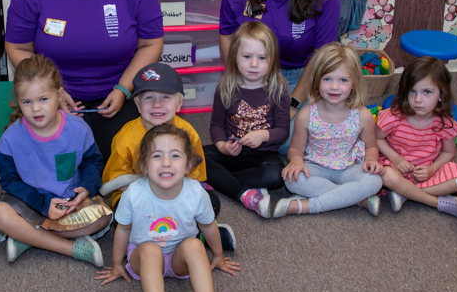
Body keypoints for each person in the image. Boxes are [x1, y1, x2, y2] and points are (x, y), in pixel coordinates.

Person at [5, 0, 164, 162]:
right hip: (53, 98)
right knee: (52, 165)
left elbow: (151, 44)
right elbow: (17, 46)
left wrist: (123, 89)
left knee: (126, 161)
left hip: (117, 95)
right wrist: (52, 92)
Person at [95, 124, 240, 292]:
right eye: (156, 156)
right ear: (142, 164)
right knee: (151, 249)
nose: (166, 163)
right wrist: (117, 265)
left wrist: (219, 256)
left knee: (195, 244)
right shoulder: (133, 193)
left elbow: (208, 226)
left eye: (175, 155)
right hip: (143, 256)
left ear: (189, 164)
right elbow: (122, 230)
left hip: (178, 257)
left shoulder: (196, 192)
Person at [219, 0, 341, 153]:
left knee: (286, 143)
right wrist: (239, 81)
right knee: (239, 135)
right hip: (251, 72)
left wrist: (294, 102)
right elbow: (228, 35)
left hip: (300, 76)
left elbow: (321, 55)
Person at [0, 55, 109, 267]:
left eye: (43, 99)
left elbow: (93, 162)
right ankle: (69, 248)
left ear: (59, 94)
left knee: (105, 217)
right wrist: (44, 206)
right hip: (30, 202)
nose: (36, 109)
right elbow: (9, 182)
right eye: (27, 102)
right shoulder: (9, 140)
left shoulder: (79, 129)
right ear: (18, 102)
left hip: (68, 204)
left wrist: (86, 189)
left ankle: (27, 237)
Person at [101, 63, 235, 250]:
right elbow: (115, 182)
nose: (157, 104)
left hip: (177, 194)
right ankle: (191, 236)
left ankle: (188, 236)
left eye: (166, 97)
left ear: (180, 103)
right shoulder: (125, 138)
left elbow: (196, 178)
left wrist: (172, 196)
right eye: (149, 98)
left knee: (211, 203)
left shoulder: (187, 132)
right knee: (122, 217)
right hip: (138, 198)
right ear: (138, 105)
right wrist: (152, 194)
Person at [276, 42, 383, 217]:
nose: (334, 87)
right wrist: (296, 161)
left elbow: (371, 146)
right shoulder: (306, 115)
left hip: (349, 167)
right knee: (291, 179)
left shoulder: (362, 115)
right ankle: (354, 198)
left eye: (343, 80)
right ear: (317, 81)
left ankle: (307, 206)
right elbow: (295, 149)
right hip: (315, 166)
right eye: (327, 79)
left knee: (375, 181)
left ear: (354, 83)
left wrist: (371, 160)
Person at [204, 22, 290, 218]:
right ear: (234, 57)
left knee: (277, 176)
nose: (254, 64)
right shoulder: (225, 87)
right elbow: (216, 125)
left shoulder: (279, 88)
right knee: (193, 155)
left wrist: (264, 135)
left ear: (273, 59)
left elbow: (283, 131)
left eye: (262, 58)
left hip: (263, 156)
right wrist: (222, 146)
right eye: (247, 57)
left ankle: (220, 181)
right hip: (232, 154)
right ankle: (237, 187)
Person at [376, 57, 457, 217]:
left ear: (441, 95)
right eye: (412, 91)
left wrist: (432, 169)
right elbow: (377, 138)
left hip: (429, 169)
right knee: (385, 176)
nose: (418, 99)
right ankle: (434, 202)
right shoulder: (394, 116)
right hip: (395, 167)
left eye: (427, 92)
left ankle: (405, 193)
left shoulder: (445, 123)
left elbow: (449, 152)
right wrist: (396, 159)